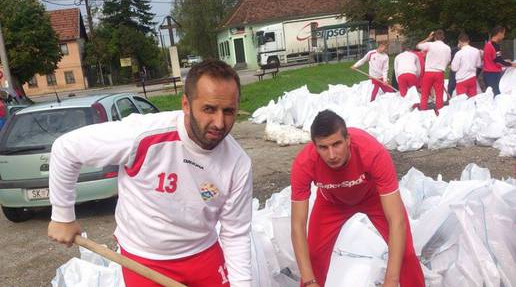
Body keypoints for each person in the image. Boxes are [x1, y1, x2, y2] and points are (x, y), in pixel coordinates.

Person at [47, 60, 253, 287]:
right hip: (144, 261)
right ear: (186, 104)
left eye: (229, 111)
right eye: (209, 109)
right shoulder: (142, 135)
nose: (219, 123)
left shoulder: (238, 163)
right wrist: (62, 215)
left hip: (202, 254)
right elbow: (66, 149)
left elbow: (235, 233)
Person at [290, 110, 425, 287]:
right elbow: (297, 225)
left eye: (337, 144)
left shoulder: (372, 153)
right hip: (331, 202)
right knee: (313, 258)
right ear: (314, 147)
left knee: (405, 254)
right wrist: (309, 281)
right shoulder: (304, 163)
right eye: (323, 147)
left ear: (348, 140)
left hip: (373, 197)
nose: (331, 155)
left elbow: (396, 219)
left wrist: (390, 282)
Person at [416, 30, 451, 112]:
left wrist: (428, 38)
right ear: (443, 37)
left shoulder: (430, 45)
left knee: (425, 93)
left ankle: (423, 111)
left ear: (434, 37)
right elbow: (448, 60)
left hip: (429, 72)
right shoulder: (447, 48)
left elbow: (418, 46)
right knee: (439, 94)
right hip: (440, 72)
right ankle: (440, 112)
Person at [482, 26, 516, 96]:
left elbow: (493, 59)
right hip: (493, 75)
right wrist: (512, 64)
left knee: (491, 95)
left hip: (488, 73)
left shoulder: (488, 44)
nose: (504, 36)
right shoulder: (495, 46)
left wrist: (506, 61)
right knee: (496, 95)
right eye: (503, 33)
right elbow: (498, 62)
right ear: (499, 33)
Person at [451, 33, 483, 98]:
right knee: (472, 99)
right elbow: (479, 64)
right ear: (468, 41)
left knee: (462, 101)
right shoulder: (476, 51)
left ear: (459, 41)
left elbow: (454, 68)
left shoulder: (459, 53)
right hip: (472, 78)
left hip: (461, 79)